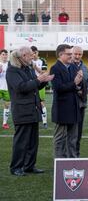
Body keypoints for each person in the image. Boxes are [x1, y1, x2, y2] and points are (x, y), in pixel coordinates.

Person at [6, 46, 53, 176]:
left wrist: (44, 81)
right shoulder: (12, 70)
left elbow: (34, 85)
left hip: (33, 109)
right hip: (22, 110)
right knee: (21, 141)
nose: (33, 56)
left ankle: (29, 166)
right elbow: (21, 87)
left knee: (33, 141)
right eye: (30, 55)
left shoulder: (28, 68)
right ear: (22, 56)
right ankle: (16, 167)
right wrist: (39, 80)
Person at [50, 44, 83, 158]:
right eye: (69, 54)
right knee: (60, 138)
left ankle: (72, 161)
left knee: (73, 139)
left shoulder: (73, 67)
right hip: (62, 109)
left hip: (74, 107)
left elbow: (76, 85)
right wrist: (75, 83)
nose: (71, 56)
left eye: (71, 54)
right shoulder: (55, 68)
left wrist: (79, 85)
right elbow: (58, 88)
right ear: (60, 55)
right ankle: (59, 162)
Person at [72, 46, 88, 157]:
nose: (77, 56)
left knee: (79, 131)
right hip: (70, 103)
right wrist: (76, 89)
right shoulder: (68, 66)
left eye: (80, 54)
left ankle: (76, 154)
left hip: (81, 103)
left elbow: (86, 82)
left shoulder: (85, 67)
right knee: (70, 132)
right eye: (76, 54)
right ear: (72, 54)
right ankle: (68, 154)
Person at [31, 46, 49, 128]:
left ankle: (44, 122)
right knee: (31, 102)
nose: (34, 54)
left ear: (37, 52)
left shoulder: (42, 60)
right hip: (31, 84)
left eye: (35, 52)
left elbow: (44, 73)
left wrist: (36, 67)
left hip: (40, 84)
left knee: (41, 103)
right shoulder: (28, 60)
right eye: (32, 52)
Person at [0, 49, 11, 129]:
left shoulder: (9, 64)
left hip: (7, 88)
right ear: (0, 55)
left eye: (6, 54)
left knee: (7, 105)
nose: (4, 56)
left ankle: (4, 123)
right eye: (3, 54)